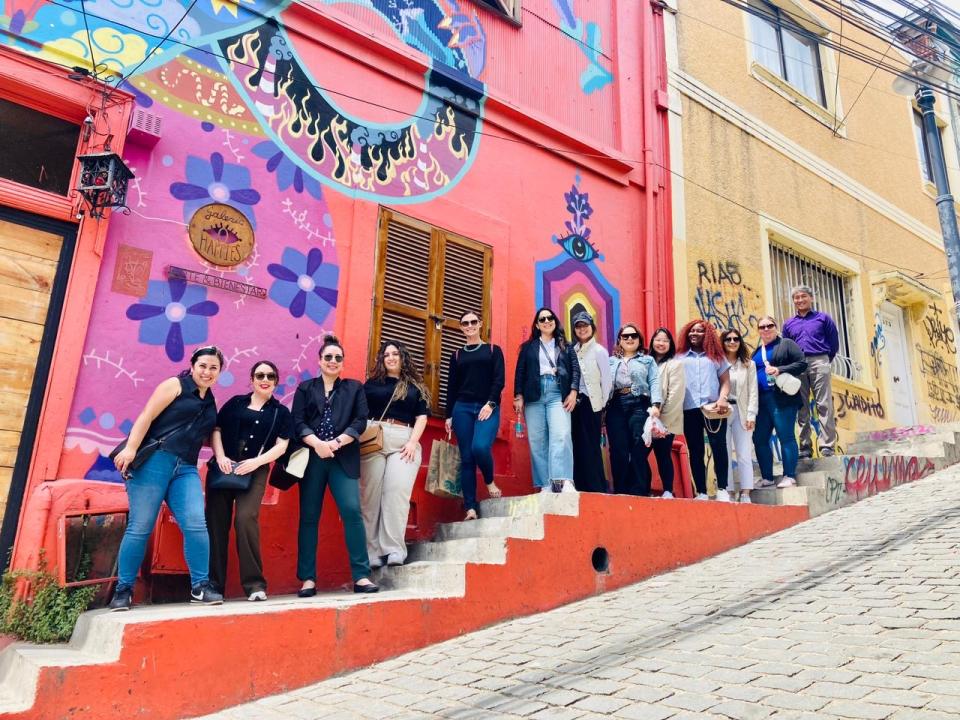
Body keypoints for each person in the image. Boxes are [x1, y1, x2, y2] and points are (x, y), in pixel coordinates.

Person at [109, 346, 225, 611]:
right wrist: (130, 448)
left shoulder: (211, 401)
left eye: (213, 368)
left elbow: (211, 432)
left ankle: (200, 586)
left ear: (219, 372)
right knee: (140, 526)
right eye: (203, 366)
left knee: (196, 523)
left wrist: (221, 455)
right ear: (193, 365)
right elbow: (147, 415)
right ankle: (123, 590)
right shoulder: (174, 385)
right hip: (155, 461)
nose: (207, 372)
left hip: (186, 468)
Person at [292, 335, 378, 595]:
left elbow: (360, 421)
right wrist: (317, 443)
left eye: (338, 358)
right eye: (328, 357)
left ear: (343, 362)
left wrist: (337, 442)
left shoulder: (354, 388)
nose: (332, 361)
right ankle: (307, 578)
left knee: (352, 511)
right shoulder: (305, 388)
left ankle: (361, 576)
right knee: (309, 516)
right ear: (319, 360)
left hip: (343, 457)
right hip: (313, 458)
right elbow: (297, 422)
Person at [206, 360, 292, 601]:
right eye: (260, 375)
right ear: (252, 379)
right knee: (216, 523)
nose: (265, 379)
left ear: (276, 381)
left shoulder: (280, 412)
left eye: (270, 376)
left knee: (246, 519)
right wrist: (221, 456)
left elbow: (282, 445)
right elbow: (216, 430)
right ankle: (213, 586)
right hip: (224, 467)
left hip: (255, 470)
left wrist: (256, 462)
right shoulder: (235, 403)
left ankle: (255, 585)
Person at [360, 341, 429, 568]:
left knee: (395, 494)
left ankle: (394, 550)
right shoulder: (371, 384)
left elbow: (422, 417)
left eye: (395, 354)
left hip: (404, 440)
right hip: (374, 440)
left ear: (403, 357)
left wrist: (412, 442)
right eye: (386, 355)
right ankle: (371, 553)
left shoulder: (415, 387)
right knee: (370, 498)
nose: (390, 358)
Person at [444, 310, 505, 520]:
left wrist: (490, 403)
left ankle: (489, 481)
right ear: (461, 327)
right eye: (464, 323)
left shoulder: (493, 350)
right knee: (467, 458)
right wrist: (448, 415)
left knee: (479, 447)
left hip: (487, 406)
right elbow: (451, 387)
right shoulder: (457, 354)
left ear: (480, 324)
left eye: (473, 322)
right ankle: (470, 507)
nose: (469, 326)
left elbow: (499, 380)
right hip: (462, 408)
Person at [513, 307, 580, 494]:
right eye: (542, 319)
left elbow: (575, 370)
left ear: (555, 321)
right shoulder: (528, 348)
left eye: (550, 318)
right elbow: (520, 372)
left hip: (557, 392)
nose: (547, 321)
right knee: (537, 440)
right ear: (537, 324)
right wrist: (518, 396)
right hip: (534, 394)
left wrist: (573, 392)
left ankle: (564, 480)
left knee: (562, 434)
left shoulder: (565, 346)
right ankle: (545, 484)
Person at [782, 285, 839, 458]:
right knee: (801, 406)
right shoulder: (788, 324)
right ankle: (805, 447)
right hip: (798, 365)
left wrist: (824, 360)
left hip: (819, 360)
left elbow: (834, 342)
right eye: (796, 298)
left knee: (823, 404)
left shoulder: (823, 319)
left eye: (803, 296)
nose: (800, 300)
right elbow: (786, 347)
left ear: (811, 298)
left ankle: (827, 445)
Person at [677, 320, 732, 501]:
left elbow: (725, 381)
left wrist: (722, 399)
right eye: (691, 331)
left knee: (719, 447)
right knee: (696, 450)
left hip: (713, 408)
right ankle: (701, 491)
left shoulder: (717, 356)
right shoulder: (680, 357)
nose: (694, 334)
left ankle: (722, 488)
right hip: (689, 409)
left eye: (699, 331)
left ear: (707, 334)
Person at [752, 316, 808, 489]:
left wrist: (780, 369)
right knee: (759, 439)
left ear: (776, 327)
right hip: (761, 400)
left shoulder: (786, 344)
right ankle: (767, 477)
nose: (766, 329)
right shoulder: (756, 352)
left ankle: (789, 476)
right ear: (759, 330)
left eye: (770, 325)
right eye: (762, 327)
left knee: (786, 436)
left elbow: (802, 363)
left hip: (782, 398)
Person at [606, 324, 661, 496]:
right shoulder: (610, 361)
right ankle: (621, 490)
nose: (630, 339)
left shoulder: (647, 360)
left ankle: (639, 490)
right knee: (618, 449)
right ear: (619, 340)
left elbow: (654, 381)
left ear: (639, 339)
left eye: (634, 336)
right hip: (616, 404)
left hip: (639, 403)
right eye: (625, 336)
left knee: (638, 447)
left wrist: (656, 405)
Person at [570, 311, 612, 493]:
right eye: (578, 326)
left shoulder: (599, 351)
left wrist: (601, 406)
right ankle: (579, 484)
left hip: (592, 404)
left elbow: (607, 381)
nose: (582, 329)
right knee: (576, 443)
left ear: (592, 327)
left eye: (585, 325)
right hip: (574, 404)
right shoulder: (572, 350)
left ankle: (596, 486)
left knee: (591, 445)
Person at [721, 329, 758, 503]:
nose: (732, 341)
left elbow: (753, 392)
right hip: (723, 412)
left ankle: (745, 492)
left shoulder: (748, 364)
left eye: (736, 339)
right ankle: (728, 491)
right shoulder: (718, 363)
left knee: (743, 453)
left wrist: (751, 415)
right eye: (728, 339)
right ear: (723, 342)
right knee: (724, 453)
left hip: (742, 412)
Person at [649, 328, 685, 498]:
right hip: (645, 419)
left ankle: (668, 491)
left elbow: (675, 395)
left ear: (670, 344)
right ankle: (641, 488)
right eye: (658, 340)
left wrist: (662, 422)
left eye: (665, 340)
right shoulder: (647, 361)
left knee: (663, 455)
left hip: (665, 421)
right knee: (639, 454)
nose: (661, 343)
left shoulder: (674, 365)